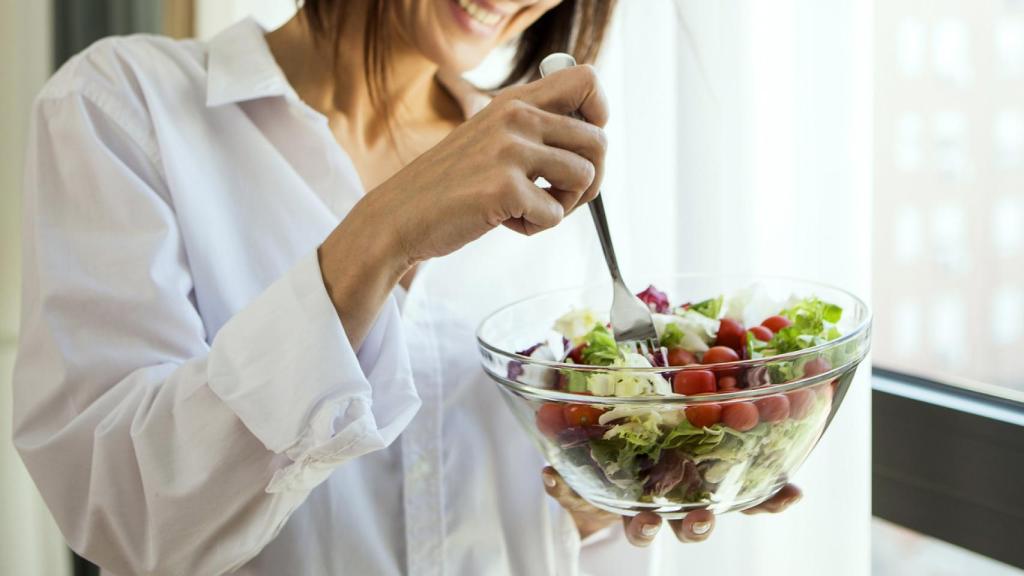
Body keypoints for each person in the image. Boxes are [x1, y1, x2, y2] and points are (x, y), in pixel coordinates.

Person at [13, 1, 800, 574]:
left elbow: (540, 521)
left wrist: (604, 502)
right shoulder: (123, 106)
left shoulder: (541, 168)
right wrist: (380, 235)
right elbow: (122, 512)